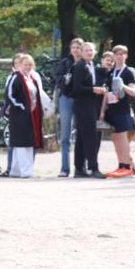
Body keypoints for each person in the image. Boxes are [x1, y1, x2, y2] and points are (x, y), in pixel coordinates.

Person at [71, 41, 107, 179]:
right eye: (86, 50)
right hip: (83, 106)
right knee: (91, 137)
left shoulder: (94, 65)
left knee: (81, 137)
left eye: (91, 50)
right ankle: (94, 168)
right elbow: (77, 89)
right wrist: (93, 89)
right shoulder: (79, 66)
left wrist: (100, 88)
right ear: (81, 52)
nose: (89, 53)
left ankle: (79, 168)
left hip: (92, 105)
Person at [7, 54, 45, 178]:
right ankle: (26, 171)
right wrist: (22, 107)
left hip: (31, 115)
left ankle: (15, 171)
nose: (28, 67)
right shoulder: (16, 77)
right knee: (22, 142)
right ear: (20, 65)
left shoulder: (31, 78)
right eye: (25, 64)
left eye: (30, 64)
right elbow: (10, 95)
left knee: (27, 142)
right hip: (19, 115)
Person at [102, 45, 135, 177]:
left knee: (123, 139)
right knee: (115, 138)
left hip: (123, 109)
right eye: (117, 54)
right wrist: (102, 111)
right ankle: (120, 165)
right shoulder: (111, 72)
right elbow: (107, 93)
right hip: (111, 109)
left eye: (122, 54)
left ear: (126, 56)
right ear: (113, 56)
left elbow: (133, 92)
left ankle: (127, 166)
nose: (119, 56)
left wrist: (122, 86)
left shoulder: (128, 72)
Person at [53, 37, 83, 177]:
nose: (76, 50)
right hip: (66, 98)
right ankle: (65, 168)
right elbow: (58, 81)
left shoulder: (87, 63)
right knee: (65, 135)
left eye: (78, 47)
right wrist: (66, 80)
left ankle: (81, 167)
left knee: (81, 134)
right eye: (74, 47)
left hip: (82, 100)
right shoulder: (64, 63)